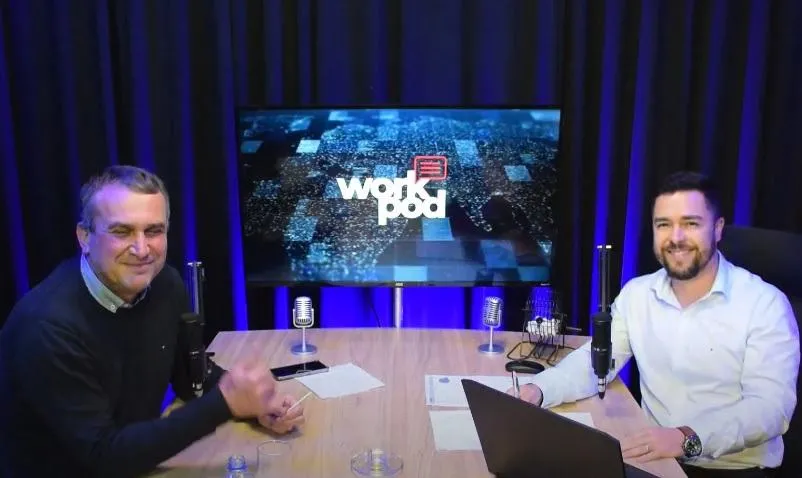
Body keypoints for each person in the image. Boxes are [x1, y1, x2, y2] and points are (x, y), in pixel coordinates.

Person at [0, 165, 306, 477]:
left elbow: (190, 377)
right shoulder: (45, 327)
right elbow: (103, 456)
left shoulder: (165, 285)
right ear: (85, 237)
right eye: (122, 231)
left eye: (153, 231)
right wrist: (226, 403)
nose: (142, 249)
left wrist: (255, 402)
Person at [510, 171, 799, 477]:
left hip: (731, 468)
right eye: (664, 224)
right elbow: (596, 363)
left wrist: (685, 438)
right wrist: (538, 390)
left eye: (691, 224)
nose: (676, 238)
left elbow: (769, 409)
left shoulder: (765, 304)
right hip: (655, 459)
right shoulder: (638, 293)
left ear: (717, 229)